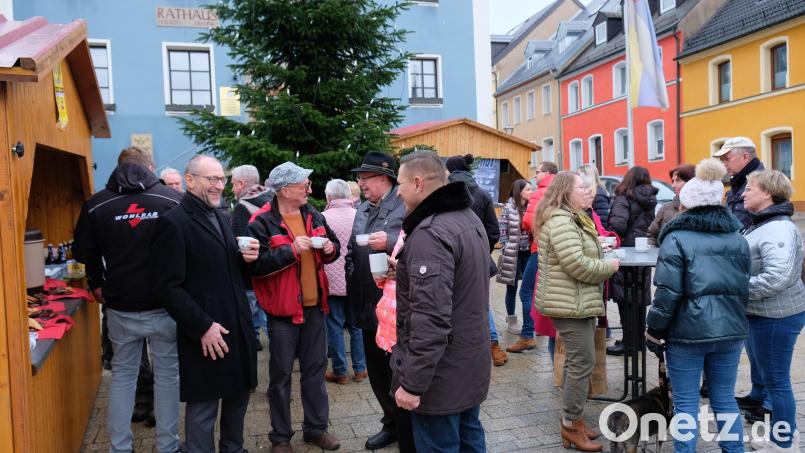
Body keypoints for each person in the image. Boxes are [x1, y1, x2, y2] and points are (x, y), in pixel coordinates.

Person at [73, 146, 182, 453]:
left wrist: (96, 282)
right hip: (165, 304)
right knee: (167, 375)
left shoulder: (96, 205)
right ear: (150, 167)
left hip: (120, 305)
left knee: (122, 375)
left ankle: (120, 447)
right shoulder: (171, 199)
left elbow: (84, 253)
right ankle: (167, 446)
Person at [150, 155, 257, 453]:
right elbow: (167, 288)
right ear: (190, 179)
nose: (218, 186)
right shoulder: (173, 223)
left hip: (236, 325)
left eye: (221, 179)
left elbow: (228, 271)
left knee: (238, 396)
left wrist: (246, 261)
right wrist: (203, 327)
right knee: (203, 409)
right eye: (211, 179)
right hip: (207, 333)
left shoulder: (221, 216)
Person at [646, 158, 749, 453]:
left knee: (687, 403)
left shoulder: (676, 238)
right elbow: (744, 285)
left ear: (686, 204)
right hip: (731, 331)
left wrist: (653, 329)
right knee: (725, 400)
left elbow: (666, 293)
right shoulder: (737, 237)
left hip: (687, 333)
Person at [392, 151, 491, 452]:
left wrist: (412, 383)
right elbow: (469, 276)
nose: (397, 191)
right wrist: (410, 268)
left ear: (418, 183)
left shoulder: (431, 232)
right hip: (468, 362)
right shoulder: (467, 217)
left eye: (400, 183)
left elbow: (430, 317)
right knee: (470, 439)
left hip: (441, 374)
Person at [248, 162, 341, 452]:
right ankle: (280, 437)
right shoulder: (261, 222)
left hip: (315, 309)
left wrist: (329, 249)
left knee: (315, 372)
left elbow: (334, 244)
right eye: (304, 185)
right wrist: (290, 251)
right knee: (280, 378)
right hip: (282, 315)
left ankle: (315, 430)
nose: (309, 189)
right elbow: (255, 267)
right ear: (286, 190)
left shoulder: (311, 212)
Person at [532, 172, 618, 452]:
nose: (589, 191)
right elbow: (577, 264)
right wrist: (609, 266)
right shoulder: (561, 221)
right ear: (566, 192)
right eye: (582, 187)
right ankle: (570, 425)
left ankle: (573, 419)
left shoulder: (572, 217)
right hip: (569, 304)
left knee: (576, 362)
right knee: (583, 363)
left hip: (574, 301)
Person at [344, 151, 413, 451]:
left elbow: (411, 245)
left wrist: (385, 242)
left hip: (391, 304)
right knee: (375, 371)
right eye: (359, 178)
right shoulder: (361, 209)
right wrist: (349, 270)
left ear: (384, 178)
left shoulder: (404, 205)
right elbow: (351, 248)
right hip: (364, 302)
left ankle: (404, 427)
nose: (360, 182)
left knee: (394, 372)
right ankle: (391, 423)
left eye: (365, 177)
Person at [740, 169, 805, 452]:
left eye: (749, 188)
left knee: (777, 382)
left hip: (776, 317)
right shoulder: (761, 223)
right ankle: (782, 435)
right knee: (771, 378)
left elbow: (778, 277)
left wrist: (734, 287)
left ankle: (784, 443)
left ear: (767, 193)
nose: (743, 192)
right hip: (761, 314)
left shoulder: (778, 228)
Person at [445, 154, 506, 366]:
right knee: (481, 302)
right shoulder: (482, 193)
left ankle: (461, 348)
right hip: (478, 261)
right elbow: (494, 230)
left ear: (449, 172)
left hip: (447, 258)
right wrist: (481, 251)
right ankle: (493, 346)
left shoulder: (443, 194)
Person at [605, 166, 657, 356]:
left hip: (625, 255)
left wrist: (609, 234)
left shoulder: (624, 197)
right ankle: (638, 341)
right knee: (639, 300)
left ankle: (629, 343)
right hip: (642, 253)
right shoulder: (650, 200)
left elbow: (618, 224)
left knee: (625, 299)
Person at [321, 179, 367, 384]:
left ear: (329, 196)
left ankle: (340, 371)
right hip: (355, 278)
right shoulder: (360, 216)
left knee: (334, 326)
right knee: (357, 326)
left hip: (331, 282)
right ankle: (360, 368)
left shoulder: (322, 218)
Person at [516, 161, 559, 354]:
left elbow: (527, 221)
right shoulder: (561, 189)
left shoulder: (541, 191)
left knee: (526, 291)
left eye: (538, 172)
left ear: (547, 173)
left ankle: (527, 335)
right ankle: (541, 329)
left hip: (539, 247)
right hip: (557, 247)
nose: (535, 176)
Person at [230, 164, 272, 351]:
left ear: (241, 183)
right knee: (270, 312)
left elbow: (239, 241)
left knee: (252, 309)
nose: (231, 189)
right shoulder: (273, 200)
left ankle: (252, 341)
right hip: (275, 265)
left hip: (251, 271)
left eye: (232, 184)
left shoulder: (242, 206)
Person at [496, 179, 534, 336]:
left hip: (529, 253)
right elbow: (502, 229)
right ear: (520, 191)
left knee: (529, 288)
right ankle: (511, 322)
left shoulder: (532, 206)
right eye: (528, 190)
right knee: (511, 288)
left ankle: (531, 322)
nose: (531, 192)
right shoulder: (508, 207)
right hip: (513, 252)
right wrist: (505, 248)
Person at [714, 136, 765, 228]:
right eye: (722, 160)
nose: (724, 164)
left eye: (727, 159)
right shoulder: (739, 181)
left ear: (745, 157)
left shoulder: (762, 184)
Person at [646, 164, 695, 246]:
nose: (673, 185)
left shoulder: (706, 209)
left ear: (691, 182)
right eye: (673, 181)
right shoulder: (666, 209)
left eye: (678, 181)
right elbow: (651, 236)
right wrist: (656, 254)